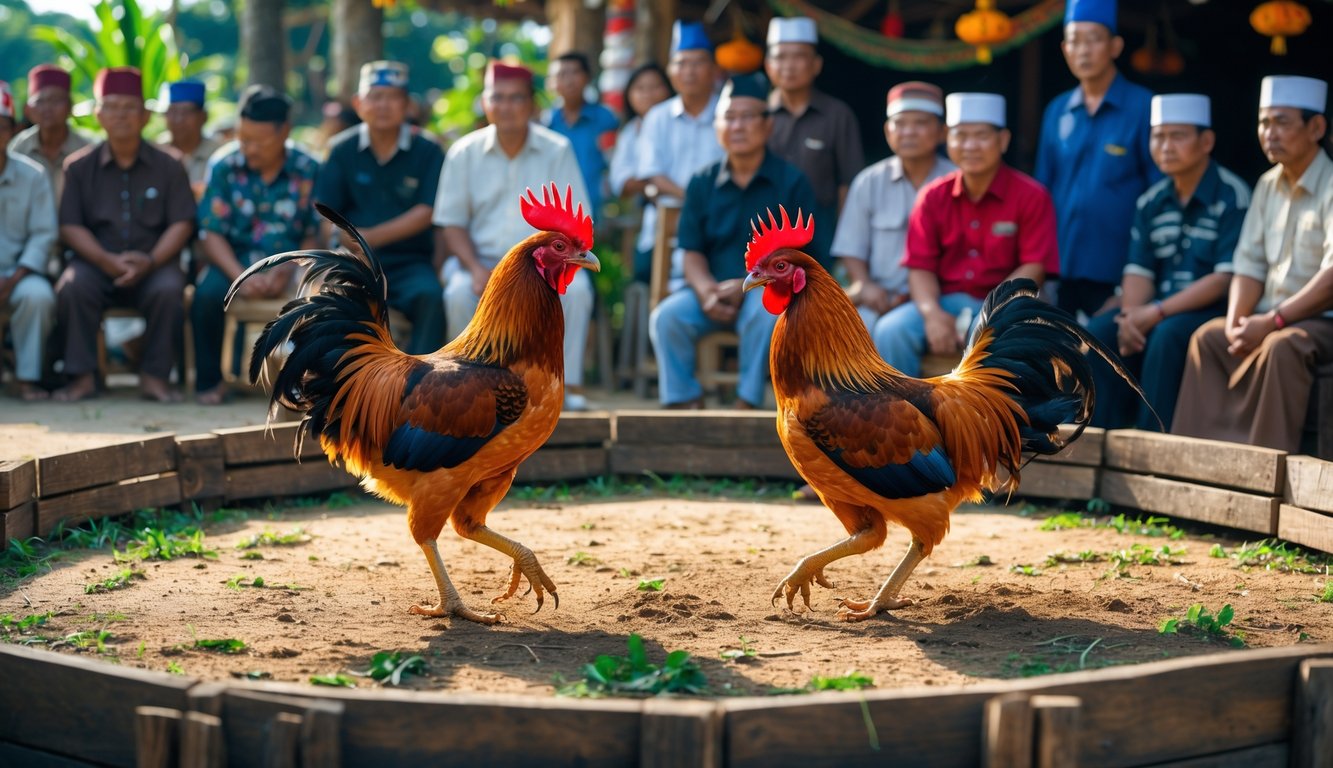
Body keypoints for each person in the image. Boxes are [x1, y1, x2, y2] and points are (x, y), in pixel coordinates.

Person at [1173, 76, 1333, 453]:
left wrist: (1272, 320)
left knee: (1283, 346)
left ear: (1316, 128)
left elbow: (1331, 278)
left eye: (1281, 122)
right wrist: (1236, 321)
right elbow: (1249, 263)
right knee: (1209, 338)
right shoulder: (1266, 185)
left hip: (1319, 323)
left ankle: (1262, 471)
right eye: (1264, 122)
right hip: (1268, 318)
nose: (1269, 133)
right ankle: (1193, 468)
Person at [648, 72, 824, 410]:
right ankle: (684, 401)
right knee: (667, 317)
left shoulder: (792, 182)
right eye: (729, 117)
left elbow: (802, 256)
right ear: (716, 127)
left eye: (747, 117)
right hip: (712, 294)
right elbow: (691, 251)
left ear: (768, 125)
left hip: (769, 293)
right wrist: (706, 291)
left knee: (764, 316)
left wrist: (753, 286)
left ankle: (748, 401)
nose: (738, 126)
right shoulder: (701, 182)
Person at [432, 61, 594, 411]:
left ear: (532, 105)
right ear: (486, 103)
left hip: (541, 265)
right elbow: (452, 223)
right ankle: (464, 387)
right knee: (459, 293)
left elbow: (575, 219)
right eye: (498, 97)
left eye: (516, 98)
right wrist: (475, 268)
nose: (506, 106)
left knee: (578, 291)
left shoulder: (558, 149)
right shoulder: (463, 152)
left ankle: (566, 388)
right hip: (480, 261)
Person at [1086, 94, 1248, 431]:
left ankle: (1152, 444)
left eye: (1178, 136)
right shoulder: (1151, 202)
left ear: (1207, 142)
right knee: (1100, 332)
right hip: (1157, 309)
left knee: (1167, 334)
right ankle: (1098, 441)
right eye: (1158, 136)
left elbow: (1225, 279)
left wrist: (1155, 312)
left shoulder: (1232, 195)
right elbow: (1138, 271)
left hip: (1212, 310)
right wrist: (1131, 318)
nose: (1165, 146)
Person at [878, 93, 1058, 377]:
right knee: (891, 329)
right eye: (961, 136)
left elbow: (1034, 267)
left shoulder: (1032, 195)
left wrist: (989, 312)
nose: (971, 146)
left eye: (982, 136)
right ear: (947, 139)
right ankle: (901, 417)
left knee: (991, 330)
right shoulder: (932, 196)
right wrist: (931, 313)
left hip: (1005, 302)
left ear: (1003, 140)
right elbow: (919, 267)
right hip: (945, 300)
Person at [53, 67, 196, 403]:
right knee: (72, 287)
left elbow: (182, 223)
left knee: (170, 288)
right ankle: (83, 377)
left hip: (155, 262)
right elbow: (70, 225)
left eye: (129, 107)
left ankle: (154, 377)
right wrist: (105, 260)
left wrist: (151, 260)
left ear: (145, 115)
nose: (121, 115)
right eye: (112, 107)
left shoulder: (170, 164)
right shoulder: (78, 167)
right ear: (99, 114)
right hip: (95, 262)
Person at [191, 85, 320, 405]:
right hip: (234, 262)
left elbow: (313, 231)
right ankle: (209, 383)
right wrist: (240, 275)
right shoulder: (223, 165)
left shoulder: (308, 167)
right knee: (205, 296)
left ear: (284, 132)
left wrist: (290, 268)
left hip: (292, 263)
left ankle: (309, 385)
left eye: (258, 141)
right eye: (242, 138)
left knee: (322, 301)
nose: (248, 148)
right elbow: (211, 233)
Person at [1034, 0, 1157, 319]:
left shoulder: (1143, 106)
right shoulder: (1057, 111)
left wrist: (1135, 282)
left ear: (1115, 46)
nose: (1083, 51)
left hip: (1118, 271)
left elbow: (1159, 195)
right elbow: (1041, 195)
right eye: (1074, 40)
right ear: (1063, 48)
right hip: (1060, 271)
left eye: (1094, 39)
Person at [315, 61, 445, 355]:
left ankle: (422, 385)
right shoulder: (340, 148)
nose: (383, 105)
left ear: (407, 105)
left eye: (392, 97)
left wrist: (370, 237)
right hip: (354, 259)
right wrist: (348, 245)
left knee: (431, 297)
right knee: (330, 298)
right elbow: (325, 212)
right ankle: (334, 386)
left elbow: (427, 211)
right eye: (375, 96)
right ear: (359, 103)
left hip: (410, 262)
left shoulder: (428, 149)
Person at [832, 81, 955, 359]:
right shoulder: (868, 182)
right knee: (851, 332)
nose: (908, 131)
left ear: (941, 133)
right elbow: (851, 246)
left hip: (942, 298)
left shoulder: (957, 181)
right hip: (880, 297)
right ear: (888, 131)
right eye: (899, 124)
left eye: (921, 123)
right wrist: (864, 283)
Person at [636, 21, 726, 290]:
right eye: (681, 63)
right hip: (665, 227)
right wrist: (694, 202)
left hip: (722, 222)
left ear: (713, 70)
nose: (689, 71)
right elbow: (653, 174)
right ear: (671, 71)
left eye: (698, 63)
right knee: (644, 272)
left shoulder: (730, 114)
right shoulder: (658, 117)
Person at [764, 16, 863, 245]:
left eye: (799, 56)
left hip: (822, 235)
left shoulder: (837, 114)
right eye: (780, 57)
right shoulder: (757, 114)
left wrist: (845, 240)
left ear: (816, 65)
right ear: (769, 66)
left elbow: (849, 184)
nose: (789, 66)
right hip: (763, 234)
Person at [0, 80, 57, 401]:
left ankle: (26, 379)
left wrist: (14, 277)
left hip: (20, 274)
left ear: (12, 130)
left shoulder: (33, 174)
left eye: (0, 126)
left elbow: (43, 233)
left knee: (38, 296)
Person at [608, 63, 673, 283]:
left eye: (655, 86)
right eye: (640, 88)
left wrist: (653, 183)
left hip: (686, 209)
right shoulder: (629, 132)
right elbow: (621, 182)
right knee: (645, 273)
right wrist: (650, 186)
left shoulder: (678, 124)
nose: (648, 94)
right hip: (647, 217)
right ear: (629, 95)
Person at [546, 51, 620, 220]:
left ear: (587, 78)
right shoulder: (547, 123)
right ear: (552, 82)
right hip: (555, 215)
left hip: (598, 211)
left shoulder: (605, 119)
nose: (569, 80)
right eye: (562, 74)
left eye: (575, 72)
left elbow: (613, 162)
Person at [10, 65, 92, 209]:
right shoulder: (17, 148)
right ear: (28, 110)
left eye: (56, 100)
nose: (47, 107)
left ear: (70, 107)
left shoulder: (88, 148)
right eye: (40, 101)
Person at [156, 80, 222, 198]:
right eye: (172, 111)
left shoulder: (219, 155)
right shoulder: (156, 152)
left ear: (204, 116)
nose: (178, 119)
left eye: (186, 112)